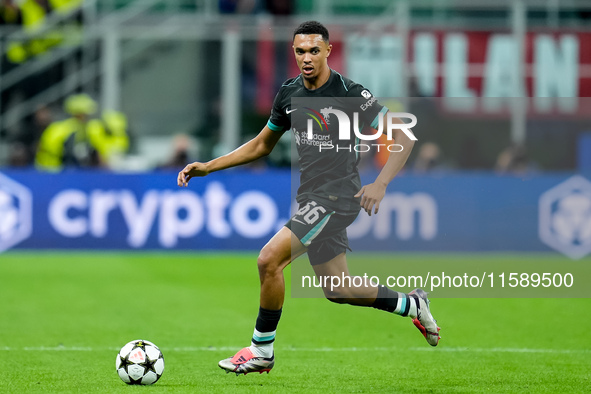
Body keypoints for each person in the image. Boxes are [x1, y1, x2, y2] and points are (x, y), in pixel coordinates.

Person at [177, 21, 440, 375]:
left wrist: (381, 183)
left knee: (269, 260)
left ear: (329, 50)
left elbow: (403, 138)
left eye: (314, 50)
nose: (306, 58)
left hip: (338, 196)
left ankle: (261, 351)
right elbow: (260, 145)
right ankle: (412, 305)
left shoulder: (349, 92)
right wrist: (210, 166)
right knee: (338, 288)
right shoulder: (288, 93)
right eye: (300, 51)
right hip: (311, 197)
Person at [35, 94, 129, 171]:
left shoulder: (58, 127)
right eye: (86, 114)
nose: (88, 117)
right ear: (79, 114)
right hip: (56, 172)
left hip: (51, 171)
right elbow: (67, 154)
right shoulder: (69, 129)